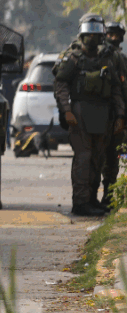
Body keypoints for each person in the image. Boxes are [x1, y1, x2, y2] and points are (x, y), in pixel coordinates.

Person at [54, 14, 127, 217]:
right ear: (82, 36)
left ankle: (92, 199)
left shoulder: (107, 59)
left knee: (98, 159)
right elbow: (61, 84)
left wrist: (120, 115)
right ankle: (80, 202)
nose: (92, 39)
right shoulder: (74, 59)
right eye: (89, 35)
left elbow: (116, 89)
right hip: (79, 115)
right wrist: (67, 110)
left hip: (103, 116)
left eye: (96, 35)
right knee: (83, 159)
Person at [102, 21, 127, 207]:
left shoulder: (121, 59)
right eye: (110, 35)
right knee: (98, 158)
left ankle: (108, 197)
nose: (113, 39)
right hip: (101, 114)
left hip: (116, 114)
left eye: (117, 35)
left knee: (112, 157)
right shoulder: (101, 55)